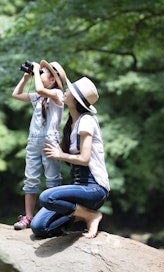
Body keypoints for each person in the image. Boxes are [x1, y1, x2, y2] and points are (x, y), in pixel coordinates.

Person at [30, 76, 110, 239]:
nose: (65, 91)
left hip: (93, 188)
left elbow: (84, 159)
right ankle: (78, 214)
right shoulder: (70, 124)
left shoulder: (87, 120)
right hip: (79, 188)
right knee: (39, 227)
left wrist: (60, 154)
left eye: (69, 90)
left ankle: (90, 216)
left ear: (76, 99)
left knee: (47, 197)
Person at [12, 60, 67, 230]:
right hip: (33, 141)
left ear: (52, 80)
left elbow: (39, 89)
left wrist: (36, 72)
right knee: (31, 179)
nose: (39, 74)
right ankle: (28, 216)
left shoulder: (58, 94)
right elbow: (16, 94)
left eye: (43, 73)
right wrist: (26, 78)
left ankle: (53, 215)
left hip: (50, 141)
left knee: (52, 179)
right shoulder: (38, 96)